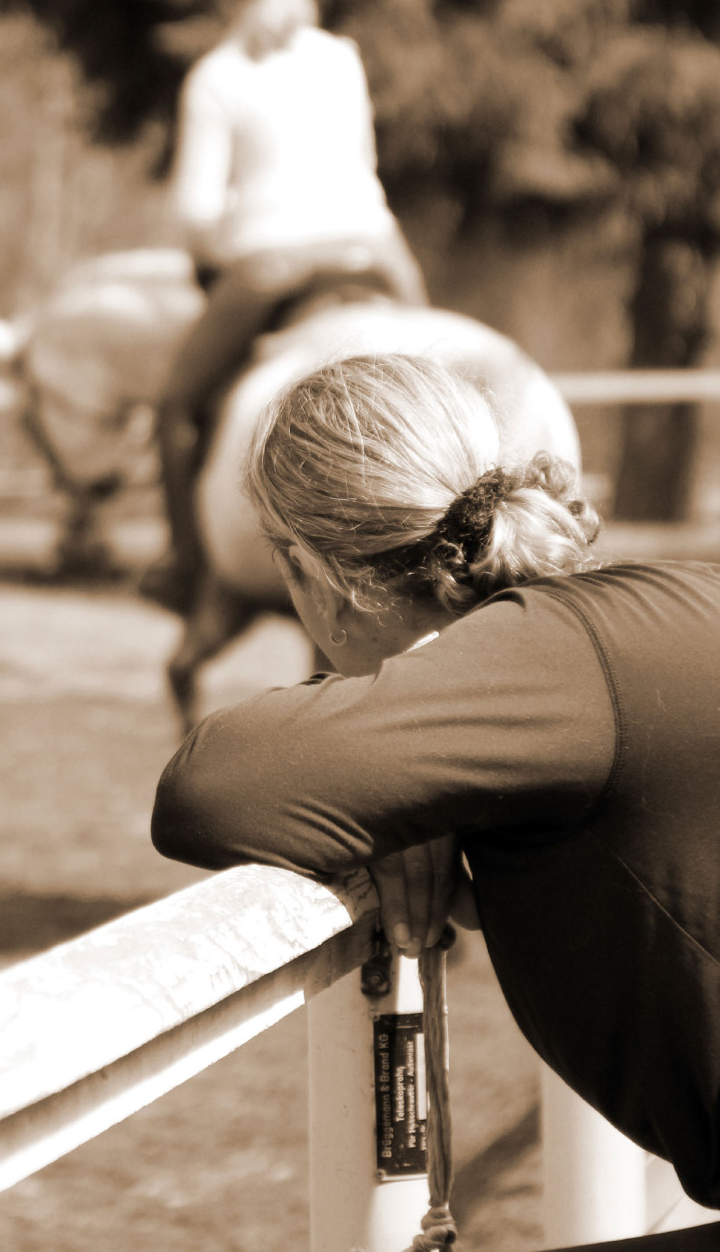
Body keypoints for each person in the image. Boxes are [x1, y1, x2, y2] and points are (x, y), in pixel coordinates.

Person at [151, 354, 720, 1210]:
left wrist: (384, 768)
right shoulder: (672, 600)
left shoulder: (540, 671)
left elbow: (210, 787)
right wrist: (430, 782)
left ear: (318, 579)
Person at [142, 0, 426, 615]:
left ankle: (185, 569)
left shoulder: (217, 76)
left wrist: (217, 251)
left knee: (175, 407)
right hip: (378, 249)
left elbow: (197, 210)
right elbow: (364, 163)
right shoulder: (341, 56)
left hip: (276, 261)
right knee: (432, 383)